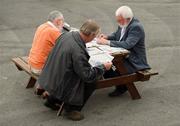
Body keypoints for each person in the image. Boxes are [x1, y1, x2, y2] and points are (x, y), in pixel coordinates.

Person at [38, 20, 112, 121]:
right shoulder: (78, 50)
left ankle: (52, 100)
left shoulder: (66, 34)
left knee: (76, 73)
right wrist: (103, 67)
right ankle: (72, 109)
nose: (94, 39)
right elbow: (87, 75)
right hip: (60, 81)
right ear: (91, 35)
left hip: (50, 76)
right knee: (92, 81)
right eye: (95, 37)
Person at [97, 6, 150, 97]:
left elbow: (127, 44)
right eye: (117, 20)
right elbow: (117, 34)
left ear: (128, 19)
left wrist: (107, 42)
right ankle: (121, 84)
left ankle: (123, 86)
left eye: (119, 20)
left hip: (134, 60)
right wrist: (108, 37)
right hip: (125, 56)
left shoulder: (136, 27)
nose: (118, 22)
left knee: (107, 67)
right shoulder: (124, 23)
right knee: (104, 63)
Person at [28, 10, 64, 95]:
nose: (63, 24)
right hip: (39, 68)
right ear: (58, 21)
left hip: (32, 62)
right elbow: (66, 45)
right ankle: (49, 92)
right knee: (66, 67)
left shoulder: (42, 26)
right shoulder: (53, 31)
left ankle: (41, 86)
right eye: (63, 21)